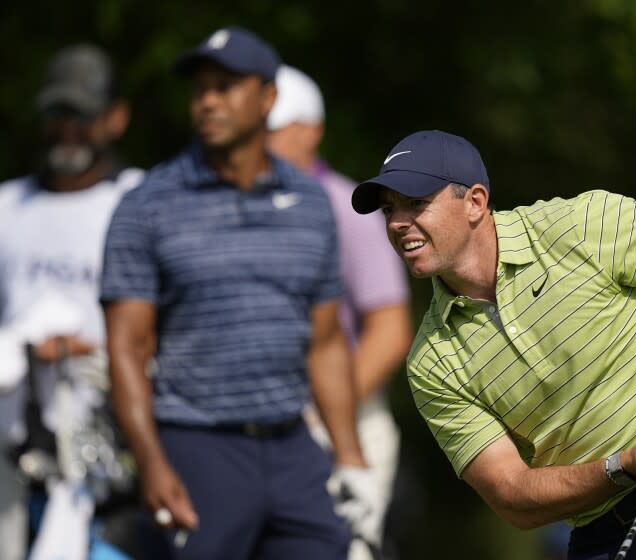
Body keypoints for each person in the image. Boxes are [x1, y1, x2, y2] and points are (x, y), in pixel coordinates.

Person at [350, 130, 636, 558]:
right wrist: (618, 467)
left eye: (416, 203)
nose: (397, 223)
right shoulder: (432, 360)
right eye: (389, 210)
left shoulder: (578, 227)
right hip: (600, 536)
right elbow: (511, 493)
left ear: (476, 201)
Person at [100, 27, 376, 560]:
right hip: (196, 446)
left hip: (293, 445)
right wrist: (151, 463)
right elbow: (127, 349)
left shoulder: (312, 204)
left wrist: (349, 457)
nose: (207, 100)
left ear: (267, 97)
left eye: (225, 86)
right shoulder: (147, 205)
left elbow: (326, 343)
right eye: (200, 88)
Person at [0, 44, 144, 560]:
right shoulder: (8, 206)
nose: (68, 129)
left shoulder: (139, 201)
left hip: (111, 452)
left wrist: (87, 350)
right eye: (58, 113)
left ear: (115, 118)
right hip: (15, 449)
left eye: (82, 115)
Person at [265, 65, 413, 560]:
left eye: (273, 128)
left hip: (343, 421)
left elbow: (389, 330)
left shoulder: (344, 208)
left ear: (312, 130)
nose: (260, 142)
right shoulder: (238, 206)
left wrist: (322, 410)